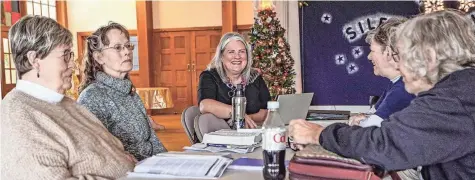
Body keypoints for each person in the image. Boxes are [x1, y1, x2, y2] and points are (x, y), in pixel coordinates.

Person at [289, 9, 475, 180]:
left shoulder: (454, 99)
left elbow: (384, 144)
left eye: (401, 55)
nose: (399, 65)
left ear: (430, 57)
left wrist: (318, 134)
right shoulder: (460, 88)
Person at [1, 15, 134, 179]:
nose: (72, 64)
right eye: (65, 55)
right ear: (34, 59)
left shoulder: (64, 102)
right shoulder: (18, 117)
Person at [77, 22, 166, 161]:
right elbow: (97, 153)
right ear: (99, 57)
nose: (127, 52)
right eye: (118, 47)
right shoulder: (92, 96)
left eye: (128, 46)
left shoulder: (129, 91)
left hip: (152, 166)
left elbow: (151, 140)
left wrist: (168, 161)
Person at [349, 18, 415, 127]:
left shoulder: (403, 89)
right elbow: (373, 115)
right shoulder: (395, 83)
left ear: (389, 53)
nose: (369, 56)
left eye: (373, 51)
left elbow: (368, 130)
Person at [198, 32, 271, 129]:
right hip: (218, 135)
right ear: (221, 56)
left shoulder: (255, 76)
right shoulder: (209, 76)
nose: (237, 56)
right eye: (231, 52)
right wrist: (238, 114)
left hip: (251, 132)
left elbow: (266, 111)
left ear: (247, 56)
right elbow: (205, 105)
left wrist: (245, 119)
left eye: (241, 51)